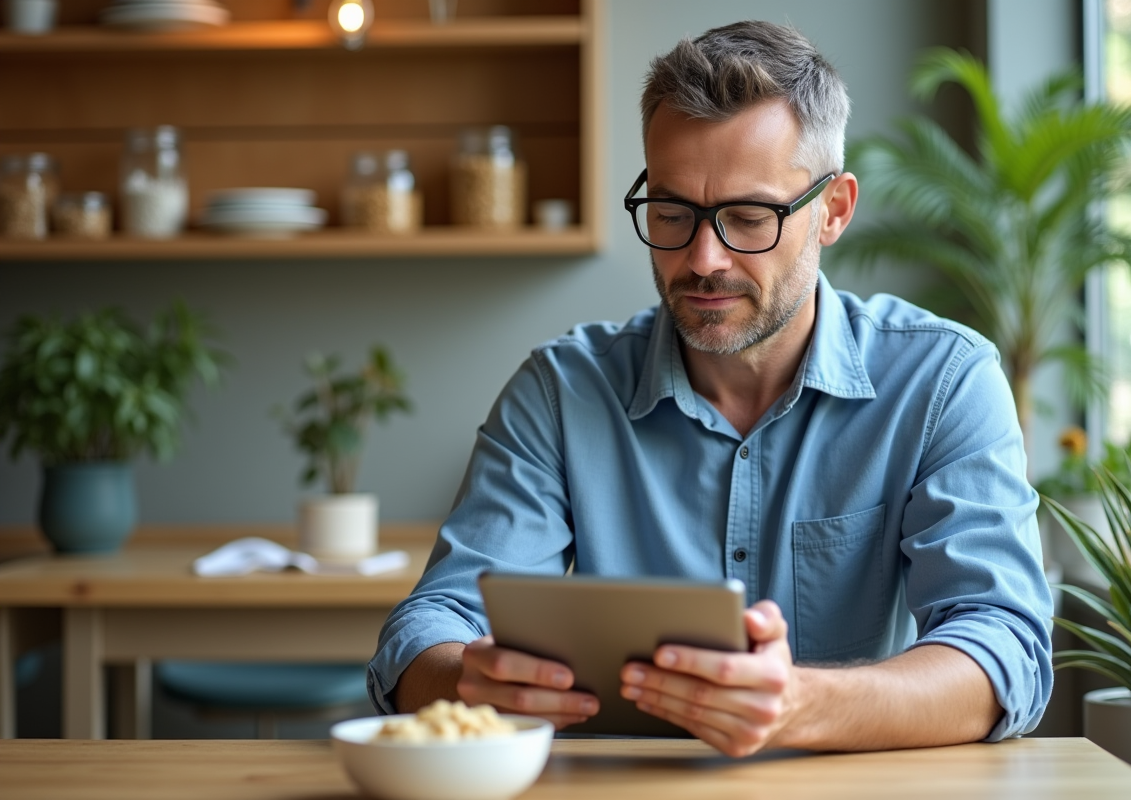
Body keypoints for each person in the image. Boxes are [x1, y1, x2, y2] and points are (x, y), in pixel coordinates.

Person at [369, 20, 1053, 757]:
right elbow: (427, 629)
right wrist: (467, 680)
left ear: (833, 210)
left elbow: (1003, 646)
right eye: (671, 214)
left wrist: (801, 706)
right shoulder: (561, 392)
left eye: (748, 218)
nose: (703, 259)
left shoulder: (944, 381)